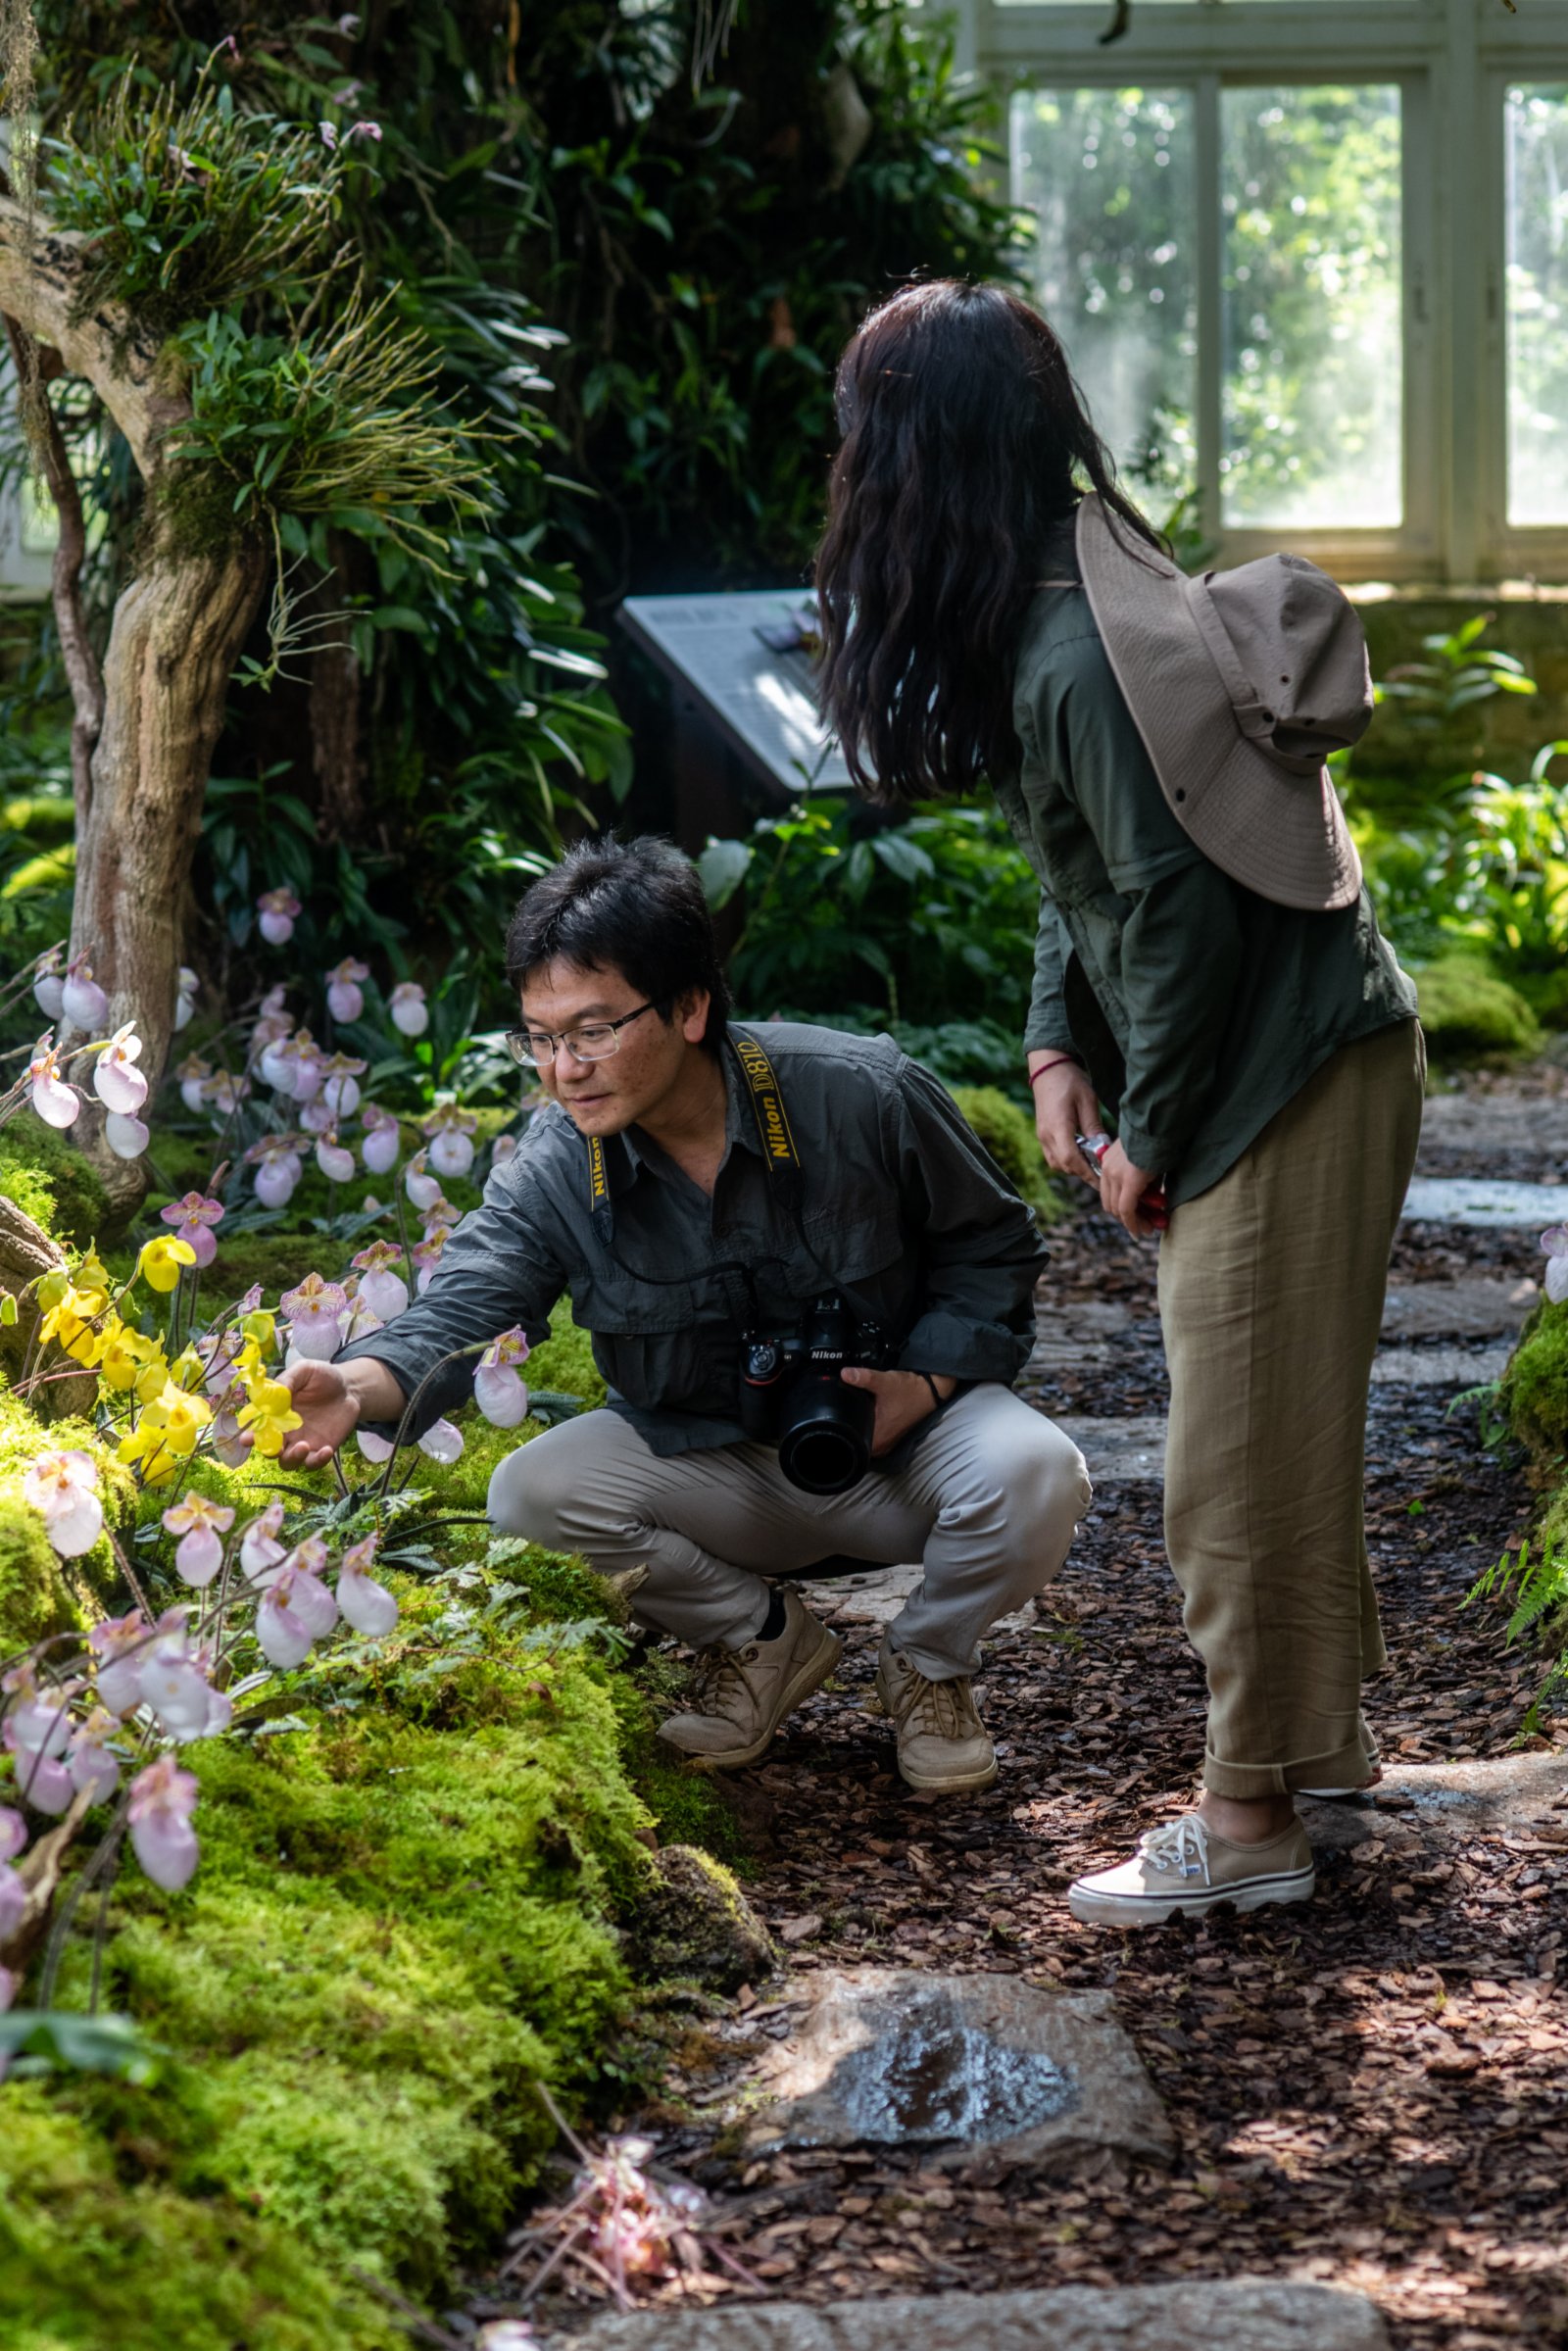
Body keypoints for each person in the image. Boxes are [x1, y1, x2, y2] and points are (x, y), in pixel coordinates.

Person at [817, 280, 1423, 1923]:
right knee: (1269, 1426)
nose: (848, 475)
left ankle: (1246, 1824)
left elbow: (1174, 910)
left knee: (1233, 1462)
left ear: (922, 455)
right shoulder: (1065, 574)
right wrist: (1048, 1046)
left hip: (1294, 1059)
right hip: (1285, 1044)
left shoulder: (1075, 644)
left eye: (864, 441)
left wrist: (1148, 1125)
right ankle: (1321, 1751)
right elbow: (1082, 864)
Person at [276, 836, 1091, 1793]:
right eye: (537, 1036)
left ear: (691, 1006)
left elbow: (992, 1245)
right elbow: (469, 1299)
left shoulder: (858, 1093)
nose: (562, 1068)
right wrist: (357, 1384)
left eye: (592, 1029)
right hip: (718, 1469)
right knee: (529, 1494)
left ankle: (928, 1659)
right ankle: (761, 1640)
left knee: (1040, 1470)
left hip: (904, 1445)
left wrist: (929, 1379)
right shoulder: (554, 1165)